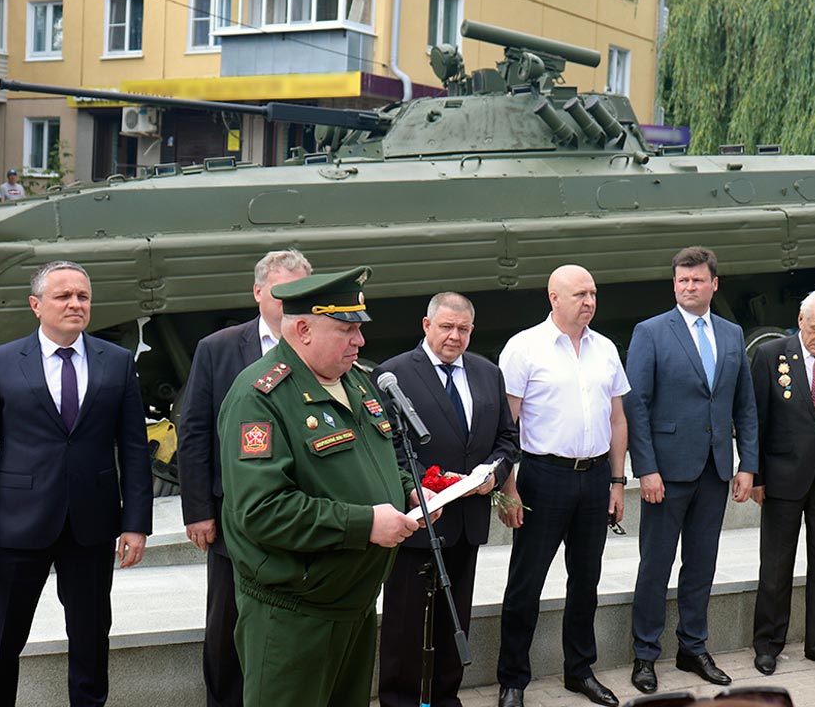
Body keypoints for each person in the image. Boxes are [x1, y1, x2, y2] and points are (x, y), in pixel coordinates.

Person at [218, 267, 437, 707]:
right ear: (302, 329)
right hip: (294, 613)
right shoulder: (259, 397)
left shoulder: (355, 381)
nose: (360, 341)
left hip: (352, 602)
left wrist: (407, 492)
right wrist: (365, 524)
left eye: (359, 329)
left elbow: (370, 462)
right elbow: (263, 511)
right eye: (347, 329)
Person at [0, 260, 153, 706]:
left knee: (90, 639)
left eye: (82, 296)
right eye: (63, 296)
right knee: (2, 642)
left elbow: (135, 448)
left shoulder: (117, 363)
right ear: (36, 305)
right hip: (16, 529)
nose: (75, 304)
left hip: (92, 528)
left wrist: (136, 523)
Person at [176, 249, 312, 707]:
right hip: (232, 514)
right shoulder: (218, 348)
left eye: (300, 292)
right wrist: (197, 510)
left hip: (299, 512)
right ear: (258, 293)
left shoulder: (318, 346)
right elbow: (194, 431)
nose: (290, 302)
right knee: (226, 624)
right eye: (281, 292)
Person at [374, 292, 520, 707]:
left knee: (455, 616)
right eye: (446, 327)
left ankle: (444, 697)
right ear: (426, 326)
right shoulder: (394, 374)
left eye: (463, 329)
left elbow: (507, 439)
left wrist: (494, 474)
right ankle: (401, 700)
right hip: (421, 518)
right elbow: (390, 448)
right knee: (405, 622)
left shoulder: (487, 373)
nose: (455, 337)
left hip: (468, 519)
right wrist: (423, 487)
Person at [624, 247, 758, 693]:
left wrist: (747, 466)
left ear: (714, 284)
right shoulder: (650, 332)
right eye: (682, 280)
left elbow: (745, 405)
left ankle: (692, 648)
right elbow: (635, 405)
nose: (688, 287)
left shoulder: (732, 333)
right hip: (666, 472)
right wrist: (645, 468)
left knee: (701, 565)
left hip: (716, 469)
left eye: (697, 280)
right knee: (655, 566)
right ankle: (645, 655)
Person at [495, 265, 630, 707]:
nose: (589, 301)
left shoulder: (605, 348)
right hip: (541, 476)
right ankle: (513, 679)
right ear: (553, 297)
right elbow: (507, 425)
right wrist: (509, 486)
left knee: (586, 581)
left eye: (593, 293)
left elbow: (616, 418)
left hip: (593, 478)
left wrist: (616, 481)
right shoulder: (524, 348)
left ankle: (579, 671)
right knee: (525, 583)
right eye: (579, 294)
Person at [749, 290, 815, 676]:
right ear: (800, 321)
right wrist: (757, 476)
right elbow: (756, 422)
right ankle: (767, 645)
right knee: (776, 566)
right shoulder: (769, 356)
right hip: (782, 479)